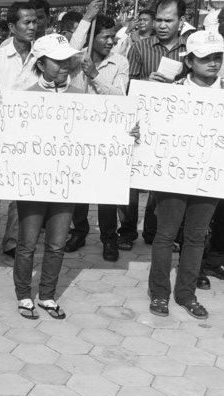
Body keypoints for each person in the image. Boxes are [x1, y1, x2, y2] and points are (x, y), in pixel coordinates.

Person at [12, 34, 139, 319]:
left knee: (56, 244)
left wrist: (128, 134)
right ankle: (23, 295)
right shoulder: (23, 99)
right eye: (56, 61)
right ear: (41, 63)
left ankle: (47, 294)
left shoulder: (83, 100)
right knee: (28, 243)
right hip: (32, 184)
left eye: (67, 59)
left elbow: (105, 133)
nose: (64, 66)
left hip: (66, 184)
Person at [148, 30, 224, 320]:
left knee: (196, 236)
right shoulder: (171, 91)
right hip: (172, 174)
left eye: (218, 57)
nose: (213, 64)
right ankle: (159, 293)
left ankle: (186, 294)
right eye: (206, 58)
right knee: (166, 235)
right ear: (189, 61)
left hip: (210, 176)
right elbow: (149, 127)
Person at [123, 0, 188, 252]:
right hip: (144, 121)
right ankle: (126, 230)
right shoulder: (140, 47)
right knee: (132, 175)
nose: (161, 25)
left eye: (168, 20)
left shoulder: (189, 50)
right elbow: (127, 84)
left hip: (175, 126)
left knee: (162, 177)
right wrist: (145, 82)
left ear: (180, 21)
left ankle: (153, 230)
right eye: (159, 19)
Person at [64, 13, 130, 262]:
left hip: (108, 136)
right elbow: (68, 49)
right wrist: (86, 20)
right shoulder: (76, 58)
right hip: (79, 134)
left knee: (106, 191)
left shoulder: (120, 62)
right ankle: (79, 232)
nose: (111, 41)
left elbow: (121, 96)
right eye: (105, 36)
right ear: (94, 38)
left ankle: (108, 238)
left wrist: (95, 75)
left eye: (113, 36)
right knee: (79, 187)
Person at [0, 1, 40, 266]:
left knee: (21, 192)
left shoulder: (42, 57)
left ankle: (13, 241)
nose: (32, 27)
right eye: (26, 22)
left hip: (30, 136)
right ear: (12, 27)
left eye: (35, 21)